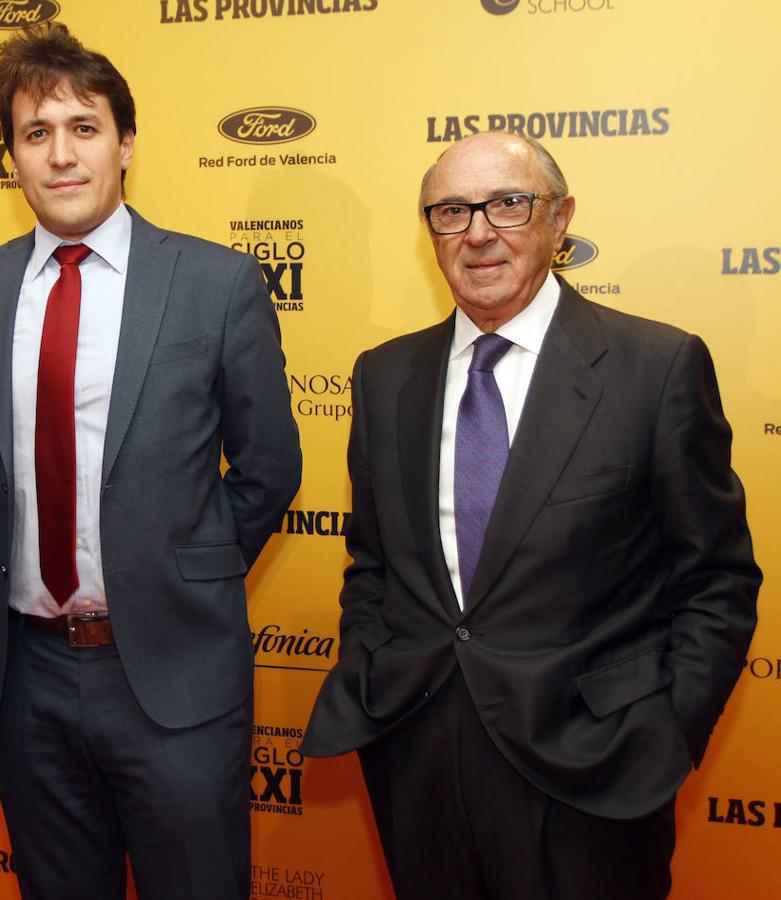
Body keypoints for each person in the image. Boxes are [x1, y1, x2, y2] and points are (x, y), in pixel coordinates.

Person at [302, 130, 761, 900]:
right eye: (450, 210)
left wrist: (665, 735)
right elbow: (373, 564)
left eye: (507, 204)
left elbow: (715, 578)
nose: (478, 231)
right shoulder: (384, 377)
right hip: (416, 752)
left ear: (559, 219)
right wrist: (374, 672)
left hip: (594, 763)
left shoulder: (655, 366)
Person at [0, 22, 301, 900]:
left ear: (125, 143)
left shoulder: (215, 283)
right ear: (11, 159)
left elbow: (268, 468)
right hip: (28, 684)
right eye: (34, 134)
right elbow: (0, 469)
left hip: (175, 678)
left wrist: (183, 576)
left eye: (84, 127)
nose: (60, 155)